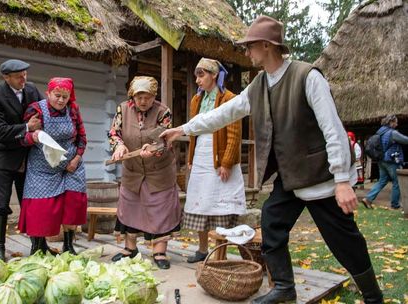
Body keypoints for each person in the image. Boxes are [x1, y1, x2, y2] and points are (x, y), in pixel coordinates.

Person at [160, 16, 383, 304]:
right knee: (272, 221)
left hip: (321, 180)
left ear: (267, 46)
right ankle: (284, 287)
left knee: (344, 241)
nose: (246, 52)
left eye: (250, 46)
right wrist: (183, 129)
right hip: (291, 179)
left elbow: (333, 130)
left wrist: (341, 180)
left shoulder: (307, 77)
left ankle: (373, 296)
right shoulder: (259, 85)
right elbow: (224, 113)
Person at [108, 76, 181, 269]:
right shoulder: (123, 109)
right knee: (130, 206)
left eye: (147, 97)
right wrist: (119, 146)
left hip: (159, 171)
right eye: (139, 96)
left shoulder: (163, 111)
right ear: (132, 95)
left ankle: (159, 251)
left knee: (160, 208)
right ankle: (130, 249)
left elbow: (165, 139)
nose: (143, 101)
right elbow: (114, 133)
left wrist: (155, 148)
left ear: (154, 95)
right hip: (133, 170)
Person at [184, 58, 246, 263]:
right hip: (201, 154)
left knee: (220, 204)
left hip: (219, 156)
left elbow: (234, 134)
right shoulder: (197, 100)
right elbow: (194, 131)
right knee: (201, 201)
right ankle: (202, 249)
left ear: (213, 75)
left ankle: (221, 252)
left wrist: (227, 162)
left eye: (201, 75)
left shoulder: (229, 98)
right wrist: (191, 158)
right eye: (196, 75)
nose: (197, 80)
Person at [19, 77, 87, 255]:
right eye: (57, 95)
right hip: (44, 167)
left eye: (65, 97)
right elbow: (23, 138)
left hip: (72, 166)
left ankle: (68, 245)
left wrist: (76, 159)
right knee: (41, 208)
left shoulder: (73, 109)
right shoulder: (36, 110)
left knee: (71, 205)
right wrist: (32, 136)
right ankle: (38, 246)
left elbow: (82, 137)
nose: (61, 100)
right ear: (48, 93)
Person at [0, 59, 44, 260]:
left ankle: (38, 245)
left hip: (28, 155)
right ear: (6, 77)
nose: (24, 79)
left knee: (29, 201)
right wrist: (28, 127)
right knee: (0, 203)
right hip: (5, 154)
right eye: (19, 76)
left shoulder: (32, 89)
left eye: (25, 74)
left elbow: (43, 113)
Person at [362, 115, 408, 209]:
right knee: (397, 181)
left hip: (381, 160)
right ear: (391, 122)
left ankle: (368, 199)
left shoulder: (380, 132)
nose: (397, 124)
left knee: (382, 181)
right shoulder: (392, 133)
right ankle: (395, 204)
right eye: (396, 122)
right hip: (391, 160)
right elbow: (405, 140)